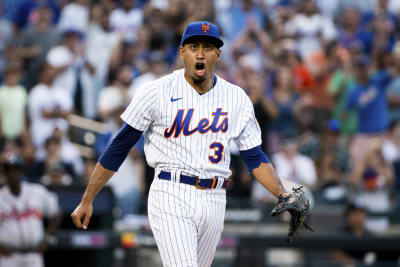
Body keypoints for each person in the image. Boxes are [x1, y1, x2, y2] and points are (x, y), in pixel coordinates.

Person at [71, 21, 288, 266]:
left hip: (215, 197)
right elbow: (119, 146)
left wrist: (282, 194)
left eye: (208, 47)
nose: (200, 53)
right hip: (171, 191)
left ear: (218, 54)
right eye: (194, 46)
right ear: (182, 51)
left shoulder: (236, 97)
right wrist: (88, 198)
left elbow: (254, 157)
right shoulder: (156, 91)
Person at [0, 154, 60, 267]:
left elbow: (56, 214)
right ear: (5, 174)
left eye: (16, 170)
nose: (13, 174)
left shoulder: (37, 191)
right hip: (8, 256)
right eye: (10, 170)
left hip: (33, 253)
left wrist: (48, 238)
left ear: (22, 172)